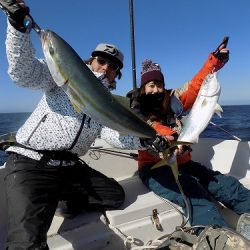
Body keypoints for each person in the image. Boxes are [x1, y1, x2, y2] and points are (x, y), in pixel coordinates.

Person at [0, 1, 171, 249]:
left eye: (113, 68)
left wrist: (145, 139)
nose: (106, 68)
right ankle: (48, 198)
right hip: (31, 163)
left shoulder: (108, 103)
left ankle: (64, 203)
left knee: (115, 195)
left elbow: (113, 134)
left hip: (70, 169)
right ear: (91, 61)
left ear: (116, 76)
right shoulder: (59, 77)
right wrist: (17, 27)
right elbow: (22, 72)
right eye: (102, 61)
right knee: (27, 243)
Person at [127, 43, 250, 237]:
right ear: (143, 87)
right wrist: (174, 137)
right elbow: (147, 128)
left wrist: (215, 61)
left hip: (184, 163)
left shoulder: (173, 100)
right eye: (151, 85)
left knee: (225, 184)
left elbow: (196, 85)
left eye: (159, 84)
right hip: (154, 169)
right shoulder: (135, 108)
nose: (156, 89)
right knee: (196, 196)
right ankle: (219, 240)